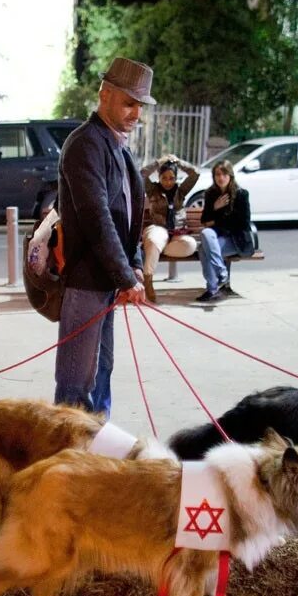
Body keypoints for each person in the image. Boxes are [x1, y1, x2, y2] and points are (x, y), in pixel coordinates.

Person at [53, 57, 152, 415]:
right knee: (76, 383)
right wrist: (125, 276)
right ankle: (66, 459)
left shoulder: (117, 145)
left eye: (140, 105)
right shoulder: (85, 144)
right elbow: (97, 219)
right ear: (104, 95)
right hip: (85, 283)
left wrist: (135, 267)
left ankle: (96, 449)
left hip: (106, 281)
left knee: (102, 372)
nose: (136, 113)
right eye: (129, 103)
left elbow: (129, 216)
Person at [139, 154, 199, 303]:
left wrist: (179, 162)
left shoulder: (181, 191)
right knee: (153, 239)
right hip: (158, 228)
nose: (168, 182)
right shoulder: (153, 190)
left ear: (176, 178)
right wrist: (158, 163)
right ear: (159, 177)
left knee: (190, 244)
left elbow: (195, 173)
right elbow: (141, 174)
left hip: (177, 232)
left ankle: (158, 249)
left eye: (171, 178)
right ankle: (148, 282)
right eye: (164, 178)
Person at [196, 160, 253, 303]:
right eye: (217, 174)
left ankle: (212, 289)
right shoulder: (211, 194)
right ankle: (221, 272)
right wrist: (215, 207)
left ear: (230, 176)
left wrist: (216, 219)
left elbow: (242, 223)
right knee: (205, 234)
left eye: (224, 174)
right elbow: (204, 220)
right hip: (217, 238)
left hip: (236, 240)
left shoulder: (241, 195)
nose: (221, 178)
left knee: (203, 249)